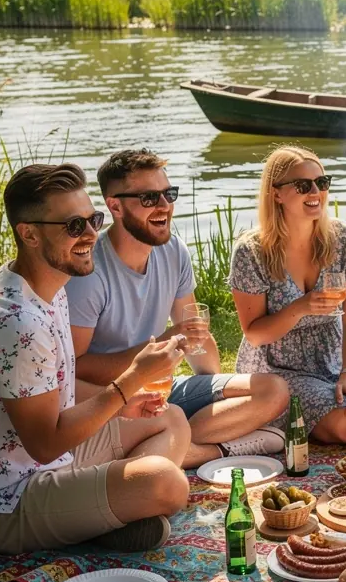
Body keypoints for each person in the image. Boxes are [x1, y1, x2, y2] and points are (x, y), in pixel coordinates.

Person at [0, 163, 192, 556]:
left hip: (44, 466)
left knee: (170, 418)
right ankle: (104, 516)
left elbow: (56, 392)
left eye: (93, 219)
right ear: (29, 234)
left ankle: (98, 515)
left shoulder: (47, 284)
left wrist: (123, 406)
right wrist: (130, 382)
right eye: (74, 226)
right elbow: (45, 444)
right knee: (166, 483)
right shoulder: (16, 321)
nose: (92, 234)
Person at [66, 149, 289, 465]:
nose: (164, 206)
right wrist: (159, 346)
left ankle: (179, 442)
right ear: (114, 205)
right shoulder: (89, 275)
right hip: (114, 403)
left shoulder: (172, 250)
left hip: (164, 392)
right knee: (168, 417)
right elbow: (73, 368)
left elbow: (193, 335)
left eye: (168, 194)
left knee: (275, 390)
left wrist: (212, 387)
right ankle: (207, 450)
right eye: (149, 198)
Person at [229, 145, 346, 444]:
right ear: (276, 193)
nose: (315, 191)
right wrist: (301, 307)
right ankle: (322, 415)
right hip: (278, 366)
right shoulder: (252, 251)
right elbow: (255, 335)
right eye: (303, 185)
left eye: (322, 182)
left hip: (336, 356)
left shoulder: (345, 239)